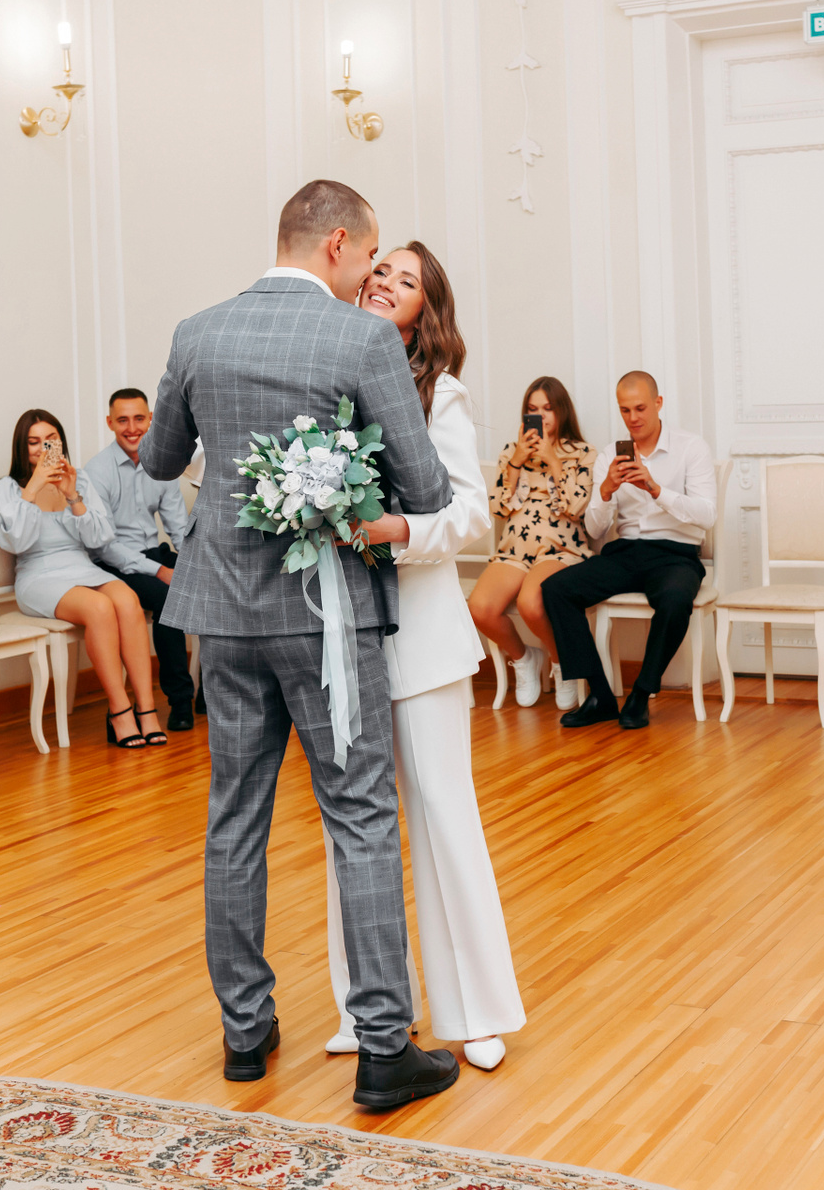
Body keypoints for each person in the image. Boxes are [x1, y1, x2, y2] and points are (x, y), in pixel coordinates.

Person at [142, 178, 462, 1108]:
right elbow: (427, 490)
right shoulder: (362, 339)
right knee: (359, 817)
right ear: (336, 244)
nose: (370, 276)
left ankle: (245, 1033)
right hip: (326, 619)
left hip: (220, 614)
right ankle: (382, 1048)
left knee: (234, 817)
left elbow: (160, 459)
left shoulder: (197, 332)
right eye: (368, 256)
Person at [320, 241, 525, 1071]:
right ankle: (367, 1007)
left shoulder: (442, 394)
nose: (386, 283)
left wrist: (396, 530)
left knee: (443, 812)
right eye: (381, 271)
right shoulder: (325, 376)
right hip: (340, 633)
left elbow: (472, 515)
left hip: (425, 635)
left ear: (423, 313)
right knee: (350, 824)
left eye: (406, 281)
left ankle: (476, 1011)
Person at [542, 371, 717, 730]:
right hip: (625, 553)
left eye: (640, 408)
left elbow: (707, 515)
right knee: (556, 589)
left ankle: (640, 694)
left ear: (658, 403)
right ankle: (600, 696)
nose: (633, 418)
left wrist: (656, 489)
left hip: (676, 554)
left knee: (674, 599)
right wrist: (605, 491)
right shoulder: (610, 455)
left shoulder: (691, 448)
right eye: (625, 410)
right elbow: (595, 530)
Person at [0, 409, 162, 747]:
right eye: (34, 442)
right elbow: (16, 543)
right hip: (38, 576)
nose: (43, 448)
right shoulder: (8, 488)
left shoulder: (80, 479)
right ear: (21, 448)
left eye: (51, 440)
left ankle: (147, 709)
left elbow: (101, 538)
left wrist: (73, 496)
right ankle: (119, 710)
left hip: (81, 567)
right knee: (100, 608)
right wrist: (33, 488)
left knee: (128, 600)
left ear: (61, 443)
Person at [466, 377, 597, 709]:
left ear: (562, 411)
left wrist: (553, 460)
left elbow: (577, 507)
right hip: (515, 549)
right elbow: (497, 508)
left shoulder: (583, 453)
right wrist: (516, 462)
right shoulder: (512, 451)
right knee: (479, 608)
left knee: (532, 603)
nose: (541, 416)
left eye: (548, 409)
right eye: (533, 409)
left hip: (560, 549)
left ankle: (562, 663)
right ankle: (524, 658)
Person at [80, 390, 197, 734]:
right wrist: (161, 572)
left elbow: (178, 527)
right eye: (122, 420)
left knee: (210, 586)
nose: (132, 428)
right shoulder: (96, 471)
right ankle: (180, 701)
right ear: (109, 423)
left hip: (152, 552)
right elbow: (105, 545)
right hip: (112, 563)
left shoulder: (162, 466)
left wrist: (194, 566)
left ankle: (211, 692)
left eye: (139, 418)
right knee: (168, 599)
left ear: (151, 420)